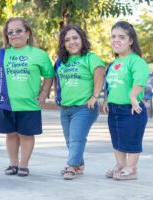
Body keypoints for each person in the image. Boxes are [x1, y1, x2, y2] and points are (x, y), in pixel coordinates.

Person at [0, 17, 54, 176]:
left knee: (26, 135)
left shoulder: (39, 54)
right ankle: (13, 164)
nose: (14, 34)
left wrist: (44, 92)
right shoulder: (0, 54)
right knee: (10, 134)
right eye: (10, 32)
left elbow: (49, 74)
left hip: (29, 104)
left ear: (27, 33)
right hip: (6, 103)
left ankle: (23, 165)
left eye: (18, 31)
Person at [54, 25, 105, 180]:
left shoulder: (91, 58)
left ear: (82, 39)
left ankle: (71, 166)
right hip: (65, 108)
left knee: (77, 138)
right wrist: (57, 97)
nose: (72, 42)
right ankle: (78, 164)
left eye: (75, 38)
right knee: (70, 140)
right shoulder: (61, 62)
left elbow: (100, 75)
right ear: (63, 43)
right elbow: (57, 80)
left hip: (84, 107)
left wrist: (95, 97)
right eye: (67, 39)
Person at [103, 21, 150, 180]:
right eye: (113, 37)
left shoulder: (136, 61)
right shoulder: (114, 63)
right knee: (117, 139)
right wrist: (106, 101)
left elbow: (140, 79)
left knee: (131, 139)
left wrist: (132, 96)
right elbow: (110, 85)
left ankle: (131, 168)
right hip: (114, 109)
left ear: (130, 40)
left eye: (121, 37)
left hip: (131, 109)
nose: (116, 40)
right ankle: (120, 165)